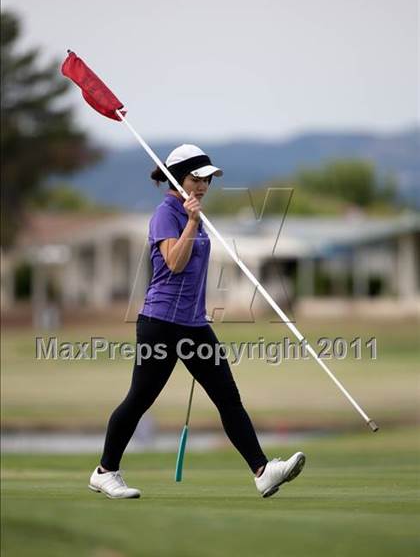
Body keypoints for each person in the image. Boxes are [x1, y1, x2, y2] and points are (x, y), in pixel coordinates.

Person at [89, 144, 305, 499]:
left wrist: (195, 222)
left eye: (207, 179)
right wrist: (191, 222)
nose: (203, 185)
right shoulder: (166, 214)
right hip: (160, 323)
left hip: (193, 324)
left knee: (228, 399)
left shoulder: (196, 214)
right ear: (178, 178)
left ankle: (262, 471)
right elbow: (174, 262)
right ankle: (104, 471)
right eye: (196, 178)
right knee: (139, 399)